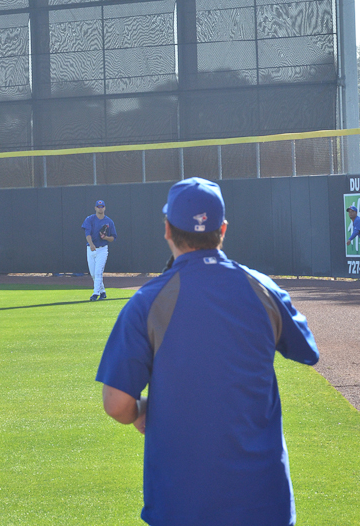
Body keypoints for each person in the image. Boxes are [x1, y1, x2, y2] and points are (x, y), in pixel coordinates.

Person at [96, 177, 319, 526]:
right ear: (223, 229)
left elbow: (117, 404)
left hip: (181, 506)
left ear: (167, 229)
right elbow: (307, 351)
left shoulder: (148, 301)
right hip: (265, 504)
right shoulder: (262, 289)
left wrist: (142, 409)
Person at [81, 199, 117, 301]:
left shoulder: (109, 221)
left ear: (104, 208)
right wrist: (91, 244)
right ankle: (103, 292)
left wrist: (105, 237)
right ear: (95, 208)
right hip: (91, 249)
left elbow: (113, 238)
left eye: (102, 207)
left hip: (102, 249)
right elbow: (87, 234)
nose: (100, 208)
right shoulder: (90, 219)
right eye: (98, 207)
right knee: (93, 274)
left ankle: (95, 293)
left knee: (98, 273)